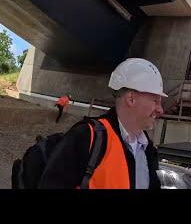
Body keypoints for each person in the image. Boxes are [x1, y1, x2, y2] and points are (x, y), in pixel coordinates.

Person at [39, 58, 166, 189]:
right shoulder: (87, 137)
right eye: (155, 101)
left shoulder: (147, 149)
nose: (160, 110)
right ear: (131, 98)